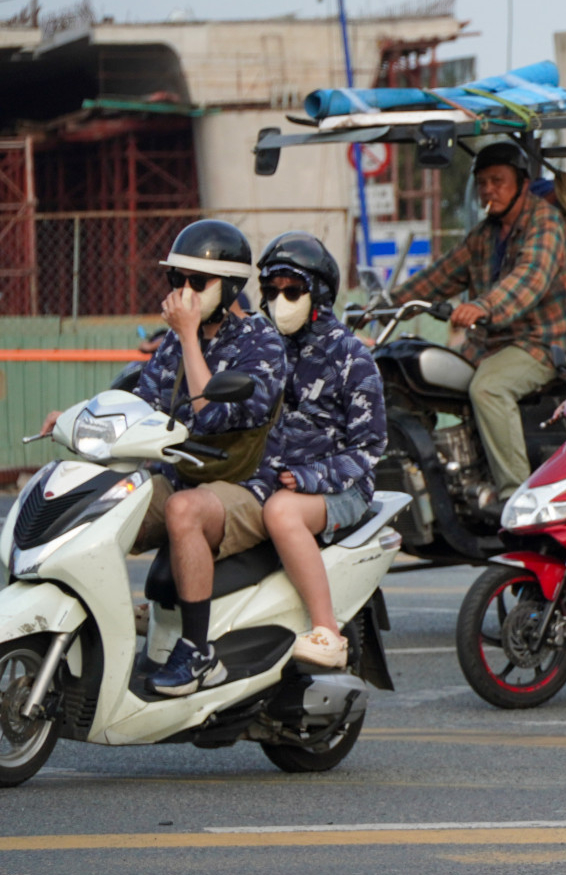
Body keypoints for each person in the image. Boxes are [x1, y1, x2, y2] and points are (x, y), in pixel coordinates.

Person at [39, 220, 288, 698]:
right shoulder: (174, 340)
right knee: (96, 497)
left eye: (198, 282)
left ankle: (198, 654)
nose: (185, 291)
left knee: (183, 511)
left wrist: (190, 337)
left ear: (231, 286)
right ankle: (87, 626)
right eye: (177, 280)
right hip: (183, 475)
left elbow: (211, 416)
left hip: (246, 485)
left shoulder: (262, 342)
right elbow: (143, 400)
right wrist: (75, 418)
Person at [391, 139, 566, 501]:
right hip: (493, 344)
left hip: (542, 344)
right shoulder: (486, 234)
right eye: (482, 183)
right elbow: (441, 275)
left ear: (523, 184)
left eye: (498, 181)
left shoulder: (545, 223)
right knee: (415, 376)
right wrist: (387, 303)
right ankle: (444, 481)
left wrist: (484, 306)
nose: (489, 190)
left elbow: (529, 278)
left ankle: (516, 498)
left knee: (489, 388)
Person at [248, 233, 388, 670]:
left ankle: (328, 631)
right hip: (271, 478)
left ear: (319, 295)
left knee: (281, 514)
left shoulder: (351, 357)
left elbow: (370, 449)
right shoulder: (261, 347)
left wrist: (312, 478)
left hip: (341, 488)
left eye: (293, 291)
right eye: (272, 292)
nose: (280, 301)